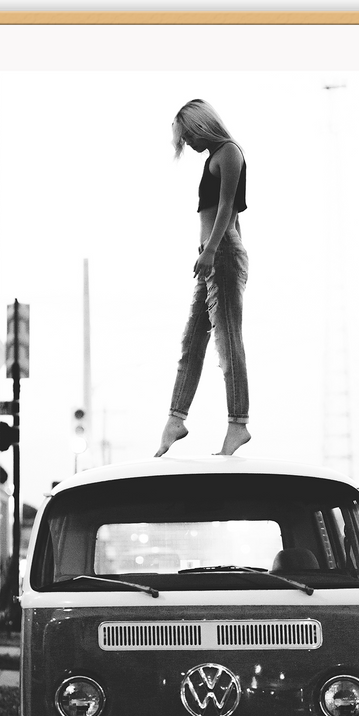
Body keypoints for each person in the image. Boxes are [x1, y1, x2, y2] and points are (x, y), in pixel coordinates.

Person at [155, 99, 251, 457]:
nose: (189, 145)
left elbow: (227, 208)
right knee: (192, 341)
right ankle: (175, 419)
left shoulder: (228, 152)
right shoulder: (214, 156)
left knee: (228, 344)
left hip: (220, 254)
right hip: (212, 257)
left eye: (189, 136)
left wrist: (213, 250)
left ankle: (238, 423)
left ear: (201, 125)